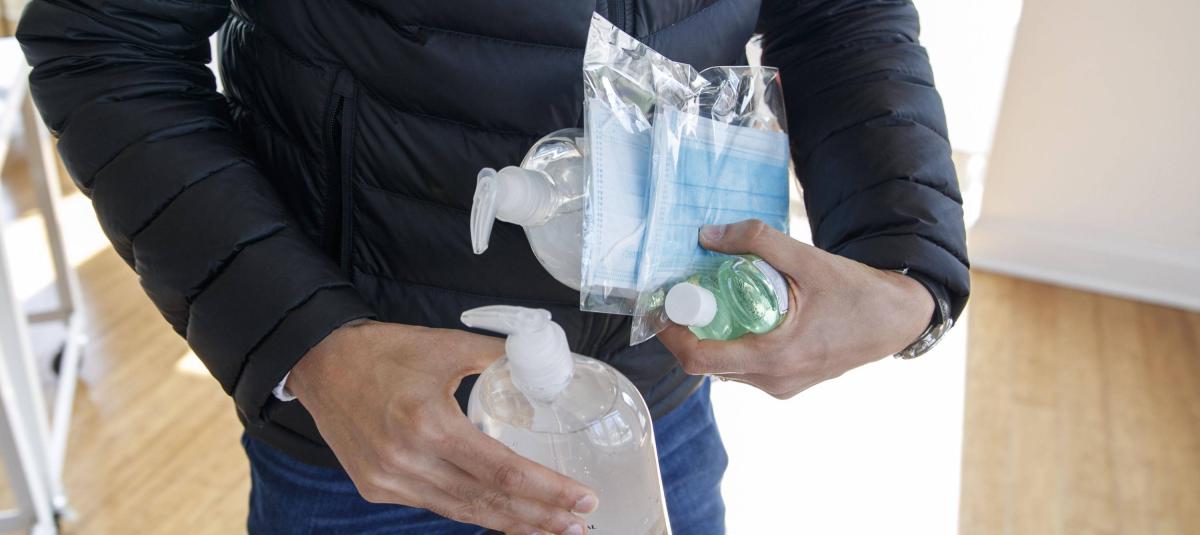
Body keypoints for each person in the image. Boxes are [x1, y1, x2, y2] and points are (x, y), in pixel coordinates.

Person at [16, 0, 969, 533]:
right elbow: (104, 41)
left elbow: (839, 15)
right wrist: (305, 338)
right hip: (369, 430)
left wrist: (906, 258)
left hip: (646, 407)